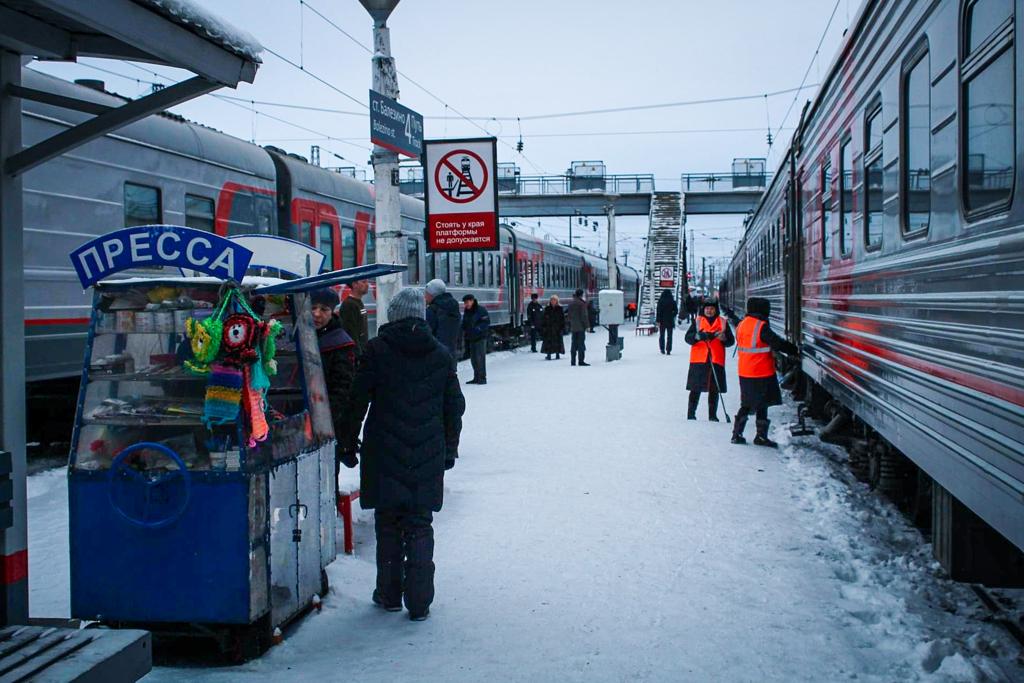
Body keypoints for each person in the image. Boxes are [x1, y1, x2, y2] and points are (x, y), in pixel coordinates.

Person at [338, 288, 465, 622]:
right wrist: (449, 450)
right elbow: (454, 407)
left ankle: (389, 594)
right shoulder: (440, 354)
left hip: (385, 452)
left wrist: (347, 444)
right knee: (420, 524)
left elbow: (357, 401)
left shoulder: (377, 351)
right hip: (427, 454)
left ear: (392, 316)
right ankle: (420, 602)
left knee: (390, 523)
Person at [731, 297, 799, 447]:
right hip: (760, 371)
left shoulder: (742, 324)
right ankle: (760, 436)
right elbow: (777, 342)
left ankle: (737, 434)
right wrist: (793, 350)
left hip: (745, 370)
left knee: (747, 404)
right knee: (762, 404)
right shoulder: (760, 326)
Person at [310, 287, 357, 498]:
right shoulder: (300, 335)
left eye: (324, 309)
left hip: (327, 422)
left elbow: (343, 388)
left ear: (333, 312)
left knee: (326, 473)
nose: (317, 314)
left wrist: (329, 419)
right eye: (313, 308)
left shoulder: (340, 343)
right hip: (301, 418)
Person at [684, 298, 734, 421]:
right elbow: (688, 338)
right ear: (703, 309)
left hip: (716, 359)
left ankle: (712, 415)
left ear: (716, 309)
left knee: (714, 388)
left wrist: (724, 339)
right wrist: (697, 336)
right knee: (695, 387)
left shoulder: (722, 322)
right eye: (707, 309)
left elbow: (731, 341)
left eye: (712, 309)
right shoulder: (697, 321)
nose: (709, 311)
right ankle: (691, 414)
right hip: (699, 359)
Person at [424, 279, 460, 356]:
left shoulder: (432, 310)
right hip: (451, 354)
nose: (425, 296)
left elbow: (426, 334)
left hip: (436, 355)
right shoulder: (454, 308)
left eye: (426, 293)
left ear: (432, 294)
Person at [461, 294, 489, 384]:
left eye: (467, 302)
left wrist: (478, 329)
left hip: (480, 337)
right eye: (465, 303)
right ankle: (476, 377)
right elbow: (465, 323)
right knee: (473, 359)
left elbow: (486, 322)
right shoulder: (467, 311)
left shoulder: (480, 310)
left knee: (480, 358)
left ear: (472, 301)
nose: (466, 304)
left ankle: (482, 378)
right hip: (471, 338)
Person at [340, 279, 370, 356]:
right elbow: (351, 332)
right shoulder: (349, 305)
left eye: (367, 281)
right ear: (354, 284)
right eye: (364, 282)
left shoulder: (358, 302)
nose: (367, 284)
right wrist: (358, 355)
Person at [566, 289, 591, 367]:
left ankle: (573, 361)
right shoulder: (582, 304)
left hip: (573, 327)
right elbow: (584, 316)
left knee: (573, 344)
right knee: (581, 344)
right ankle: (581, 361)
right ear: (581, 295)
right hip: (580, 327)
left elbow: (568, 316)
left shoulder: (571, 303)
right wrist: (587, 326)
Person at [540, 295, 565, 360]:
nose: (553, 301)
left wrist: (562, 327)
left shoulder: (560, 308)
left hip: (557, 328)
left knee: (557, 342)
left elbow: (562, 319)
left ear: (557, 301)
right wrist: (544, 326)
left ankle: (557, 354)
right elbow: (544, 318)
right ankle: (548, 355)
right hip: (549, 328)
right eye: (552, 300)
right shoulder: (547, 308)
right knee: (549, 342)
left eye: (554, 300)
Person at [656, 290, 678, 354]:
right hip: (670, 320)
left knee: (662, 335)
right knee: (670, 336)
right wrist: (672, 315)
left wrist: (658, 320)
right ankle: (668, 350)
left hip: (662, 321)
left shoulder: (660, 301)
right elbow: (676, 311)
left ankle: (662, 349)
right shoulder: (672, 301)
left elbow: (658, 311)